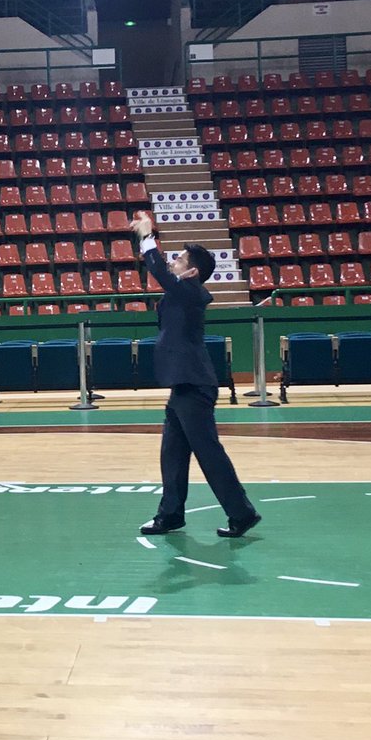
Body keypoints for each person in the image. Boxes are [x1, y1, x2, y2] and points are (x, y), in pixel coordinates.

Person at [131, 212, 262, 538]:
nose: (173, 262)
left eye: (179, 259)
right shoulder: (182, 294)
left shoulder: (191, 292)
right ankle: (171, 515)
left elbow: (158, 270)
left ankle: (242, 512)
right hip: (183, 387)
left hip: (195, 386)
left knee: (208, 453)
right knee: (172, 454)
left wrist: (147, 236)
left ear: (192, 271)